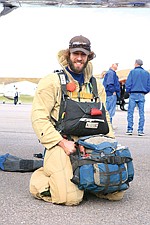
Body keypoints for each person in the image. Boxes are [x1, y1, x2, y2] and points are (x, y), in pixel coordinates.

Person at [29, 35, 124, 206]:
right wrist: (60, 142)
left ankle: (78, 179)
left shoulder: (97, 85)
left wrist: (110, 144)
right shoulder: (52, 81)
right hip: (62, 144)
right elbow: (39, 118)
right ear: (68, 54)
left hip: (89, 144)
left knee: (115, 192)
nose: (79, 58)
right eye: (75, 53)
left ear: (89, 56)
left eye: (83, 54)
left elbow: (105, 118)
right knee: (70, 198)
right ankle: (43, 174)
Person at [125, 59, 150, 136]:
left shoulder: (132, 72)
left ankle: (130, 129)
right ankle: (140, 130)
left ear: (136, 64)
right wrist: (145, 91)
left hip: (133, 93)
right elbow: (148, 84)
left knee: (130, 112)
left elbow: (128, 83)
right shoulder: (146, 73)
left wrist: (129, 91)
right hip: (141, 94)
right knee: (141, 113)